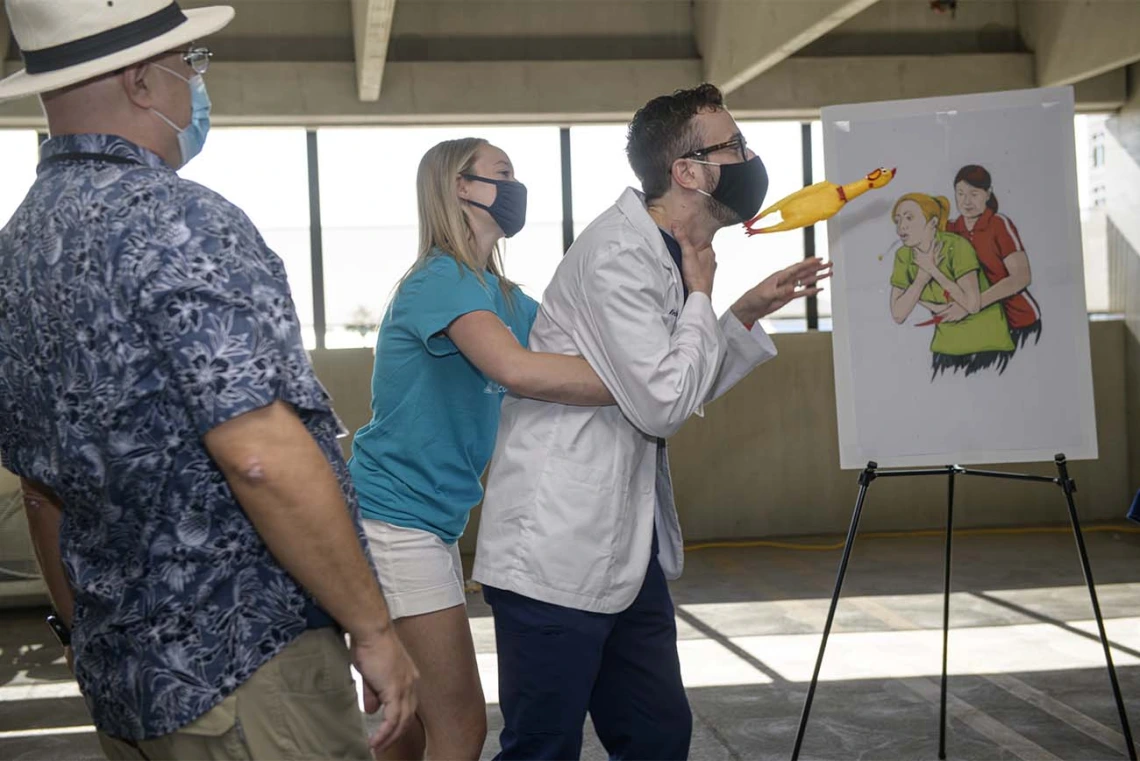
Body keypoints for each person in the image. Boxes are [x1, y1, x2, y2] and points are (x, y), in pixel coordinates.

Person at [0, 1, 416, 758]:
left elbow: (40, 488)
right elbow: (259, 453)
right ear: (139, 81)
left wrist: (86, 634)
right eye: (191, 64)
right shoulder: (180, 220)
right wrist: (373, 626)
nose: (196, 84)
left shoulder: (18, 247)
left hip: (126, 681)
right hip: (247, 672)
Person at [472, 83, 831, 760]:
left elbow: (677, 386)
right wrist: (704, 295)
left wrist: (742, 311)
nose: (749, 158)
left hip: (624, 548)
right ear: (689, 171)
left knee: (657, 735)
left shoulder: (667, 252)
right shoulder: (619, 256)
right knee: (543, 747)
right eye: (735, 145)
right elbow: (663, 400)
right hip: (557, 548)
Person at [349, 137, 615, 761]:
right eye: (503, 174)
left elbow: (575, 346)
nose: (516, 186)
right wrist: (636, 391)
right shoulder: (440, 281)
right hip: (395, 522)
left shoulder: (502, 296)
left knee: (409, 724)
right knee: (460, 728)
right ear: (460, 188)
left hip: (429, 523)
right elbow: (519, 370)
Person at [888, 193, 1015, 377]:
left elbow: (972, 305)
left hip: (988, 344)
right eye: (897, 221)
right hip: (946, 346)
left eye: (909, 218)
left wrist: (933, 270)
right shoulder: (903, 256)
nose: (902, 227)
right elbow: (898, 314)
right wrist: (922, 278)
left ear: (932, 222)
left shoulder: (956, 246)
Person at [944, 164, 1042, 347]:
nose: (966, 201)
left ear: (988, 194)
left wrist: (972, 304)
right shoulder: (950, 230)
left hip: (1017, 322)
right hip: (978, 328)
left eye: (974, 194)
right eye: (960, 193)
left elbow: (1022, 277)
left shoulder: (998, 224)